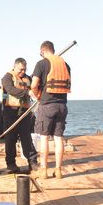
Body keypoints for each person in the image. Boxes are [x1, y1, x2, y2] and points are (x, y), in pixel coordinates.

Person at [30, 41, 71, 179]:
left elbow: (34, 84)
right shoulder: (66, 65)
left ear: (42, 51)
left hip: (47, 105)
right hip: (62, 106)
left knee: (44, 138)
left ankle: (44, 170)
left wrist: (36, 95)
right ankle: (58, 170)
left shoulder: (41, 64)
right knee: (59, 138)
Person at [1, 58, 38, 173]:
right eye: (20, 69)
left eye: (24, 69)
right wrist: (27, 92)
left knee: (26, 138)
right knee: (10, 139)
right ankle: (11, 164)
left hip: (25, 113)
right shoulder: (7, 77)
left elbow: (35, 88)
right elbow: (10, 89)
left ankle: (32, 162)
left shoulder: (28, 79)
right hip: (10, 112)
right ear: (14, 67)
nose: (22, 72)